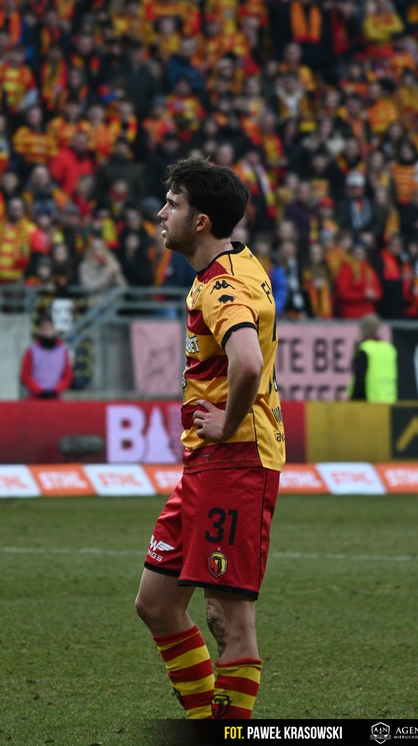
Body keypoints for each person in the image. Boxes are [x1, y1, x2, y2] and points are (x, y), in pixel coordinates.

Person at [134, 157, 285, 724]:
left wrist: (227, 421)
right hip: (208, 465)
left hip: (236, 461)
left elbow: (246, 363)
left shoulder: (221, 287)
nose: (160, 213)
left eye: (172, 203)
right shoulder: (237, 263)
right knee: (157, 603)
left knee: (229, 622)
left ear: (200, 221)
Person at [347, 312, 398, 403]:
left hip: (370, 400)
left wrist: (353, 399)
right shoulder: (389, 349)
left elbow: (360, 379)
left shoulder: (365, 348)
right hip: (389, 400)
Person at [20, 314, 73, 399]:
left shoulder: (63, 351)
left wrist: (55, 390)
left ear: (54, 328)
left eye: (48, 327)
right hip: (35, 399)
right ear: (39, 330)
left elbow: (67, 376)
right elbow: (25, 375)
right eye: (43, 328)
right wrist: (39, 391)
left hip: (55, 399)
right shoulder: (31, 350)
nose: (46, 331)